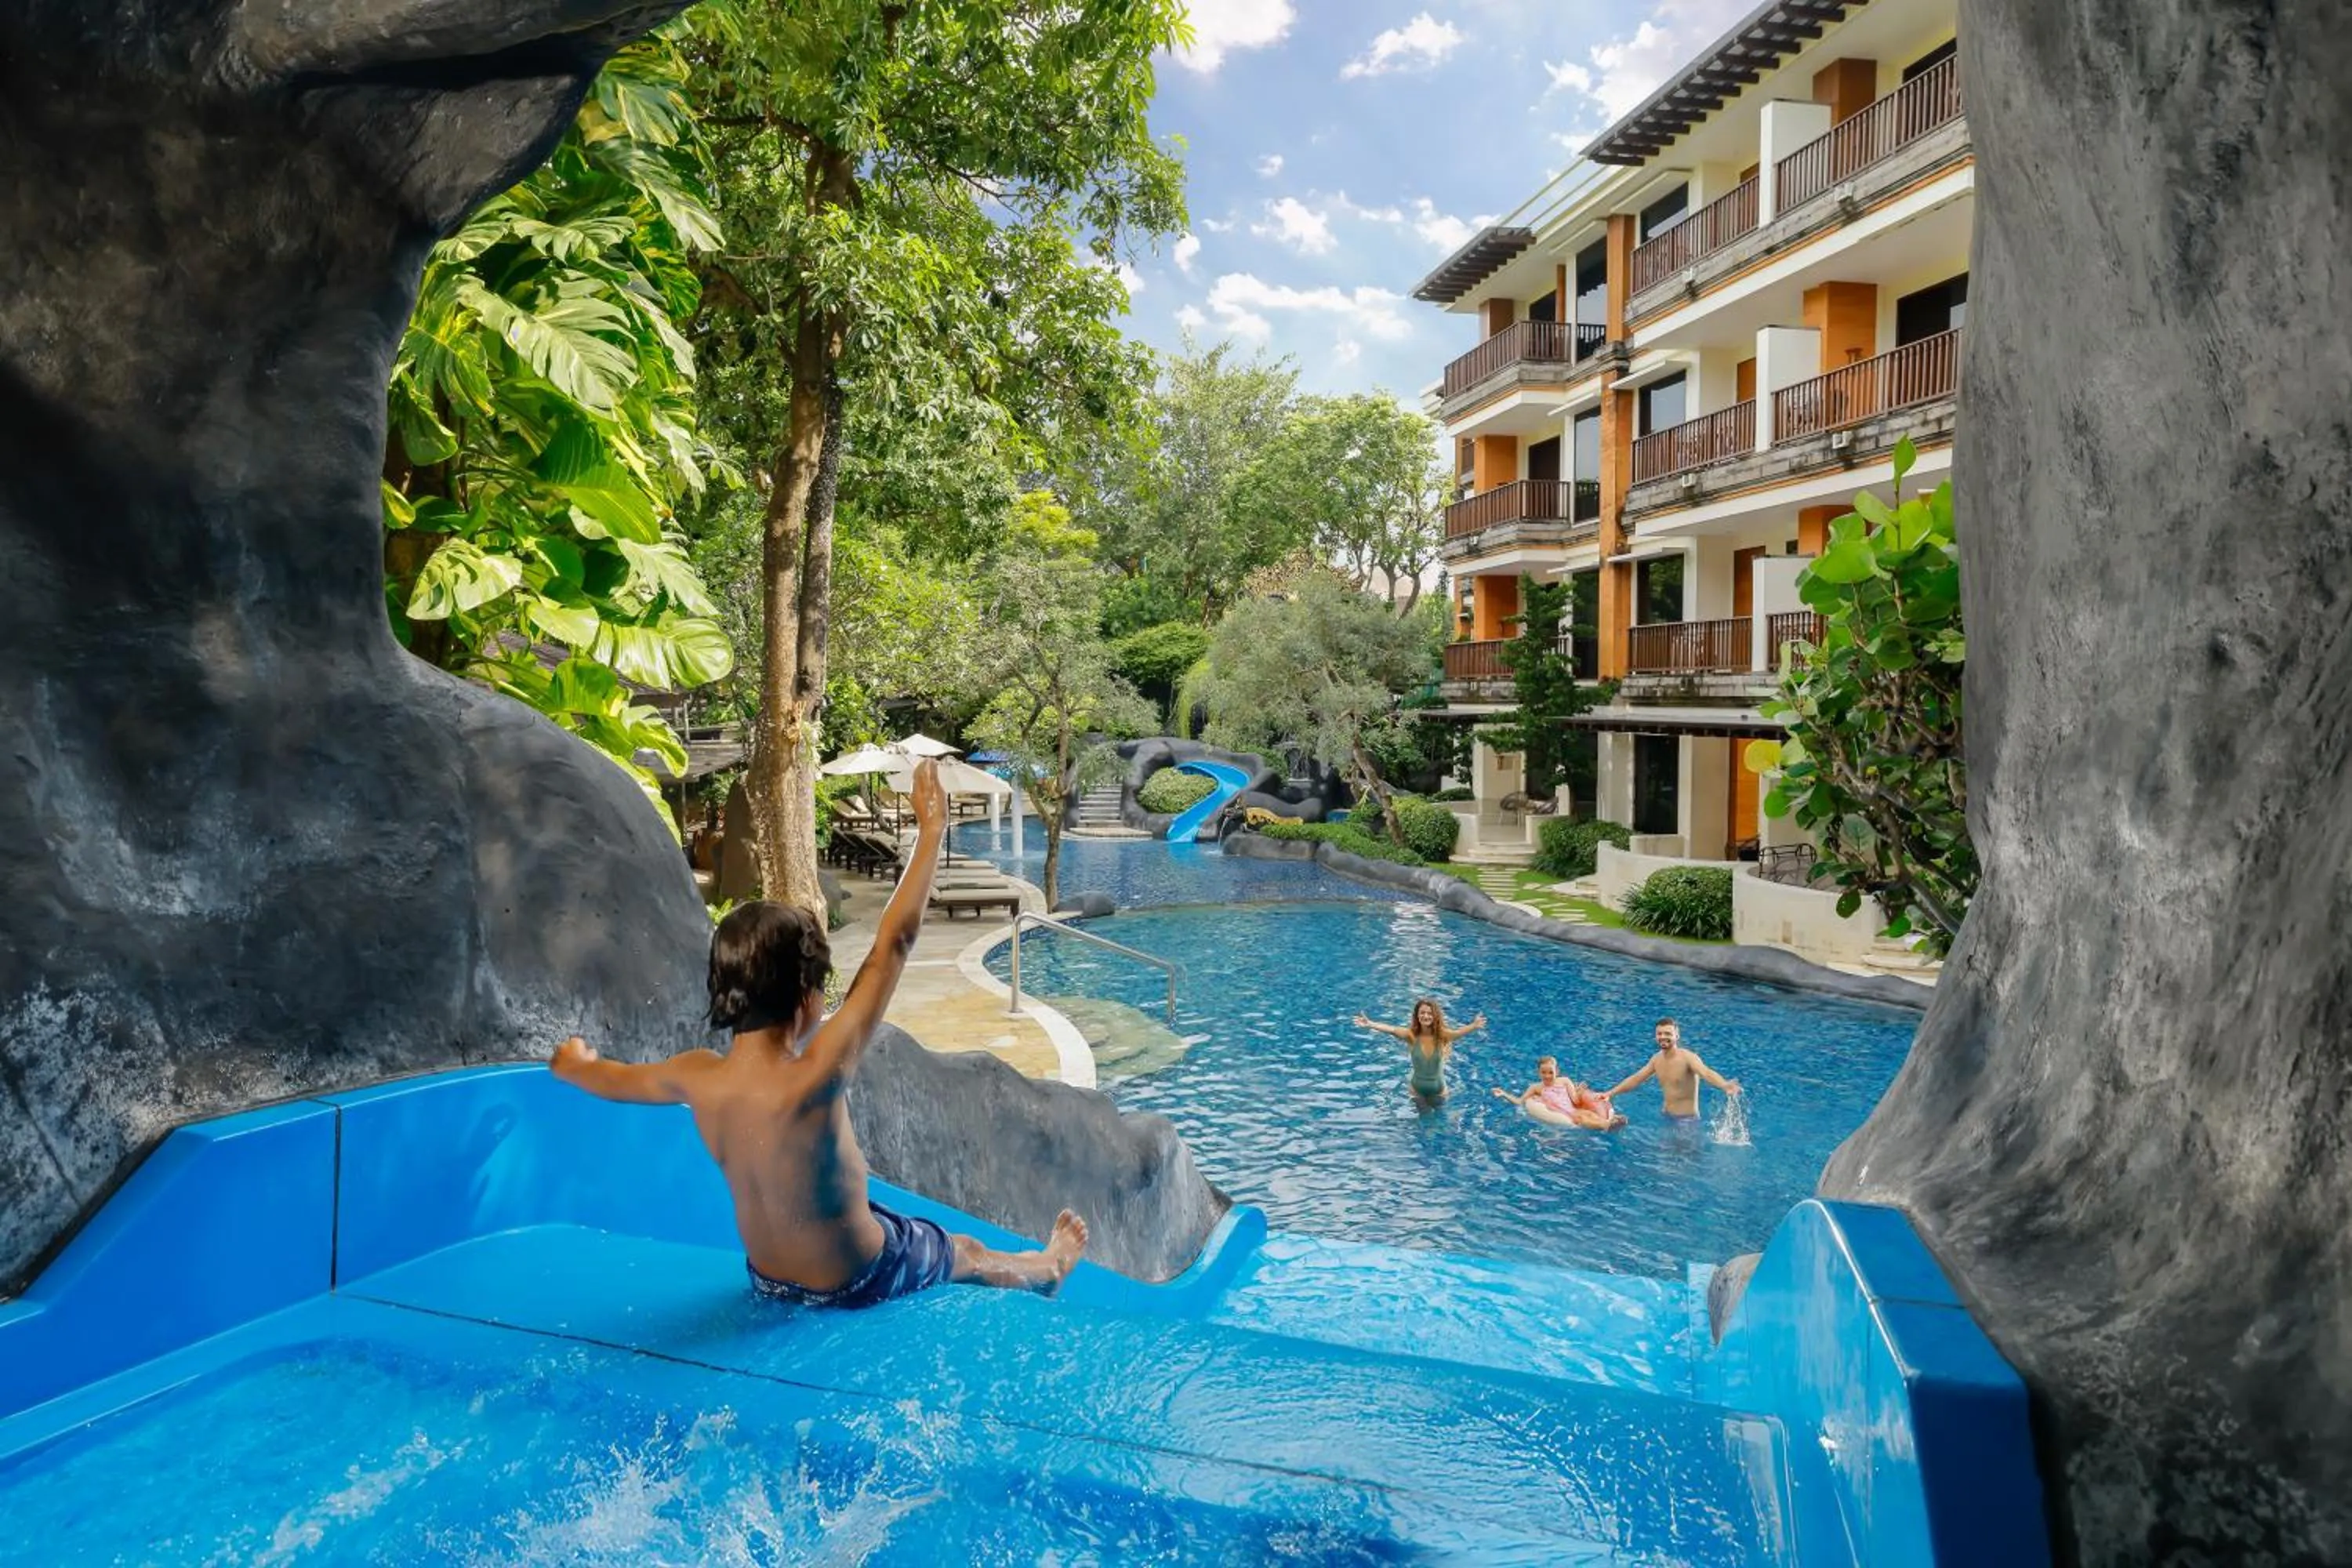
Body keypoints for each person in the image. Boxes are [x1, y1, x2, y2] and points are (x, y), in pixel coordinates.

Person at [550, 759, 1088, 1308]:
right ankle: (1046, 1269)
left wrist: (576, 1065)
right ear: (807, 998)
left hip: (770, 1280)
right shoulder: (816, 1073)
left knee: (860, 1202)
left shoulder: (695, 1074)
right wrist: (931, 831)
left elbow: (616, 1080)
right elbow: (892, 945)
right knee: (966, 1248)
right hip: (858, 1277)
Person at [1605, 1018, 1742, 1122]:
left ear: (1677, 1036)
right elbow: (1636, 1079)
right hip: (1666, 1116)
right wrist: (1610, 1093)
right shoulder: (1656, 1059)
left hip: (1687, 1120)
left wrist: (1724, 1085)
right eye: (1659, 1034)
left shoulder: (1688, 1058)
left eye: (1668, 1033)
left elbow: (1706, 1072)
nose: (1663, 1037)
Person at [1353, 1000, 1485, 1102]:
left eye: (1429, 1013)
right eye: (1422, 1013)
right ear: (1417, 1015)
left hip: (1439, 1091)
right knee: (1425, 1124)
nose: (1425, 1016)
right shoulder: (1411, 1035)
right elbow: (1391, 1029)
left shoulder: (1443, 1035)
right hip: (1417, 1091)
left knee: (1440, 1125)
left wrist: (1474, 1026)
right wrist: (1371, 1024)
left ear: (1435, 1016)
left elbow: (1458, 1033)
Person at [1493, 1057, 1624, 1130]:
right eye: (1543, 1072)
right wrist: (1504, 1094)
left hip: (1573, 1109)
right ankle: (1607, 1125)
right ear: (1538, 1073)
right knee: (1582, 1119)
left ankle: (1608, 1121)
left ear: (1557, 1071)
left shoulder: (1565, 1081)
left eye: (1551, 1072)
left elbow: (1576, 1102)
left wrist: (1578, 1093)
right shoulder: (1536, 1087)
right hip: (1564, 1114)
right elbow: (1520, 1102)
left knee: (1588, 1114)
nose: (1547, 1076)